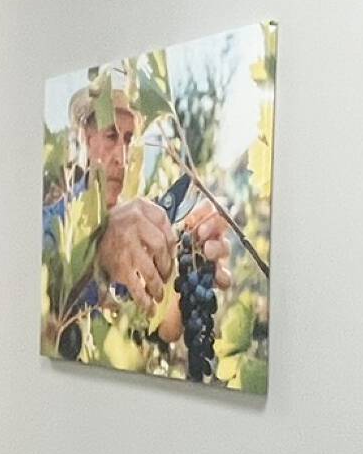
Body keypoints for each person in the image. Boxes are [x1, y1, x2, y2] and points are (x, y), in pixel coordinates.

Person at [43, 66, 229, 356]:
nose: (122, 156)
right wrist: (97, 251)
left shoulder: (139, 232)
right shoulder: (50, 223)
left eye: (129, 140)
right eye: (111, 136)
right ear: (86, 139)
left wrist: (192, 264)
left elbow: (166, 328)